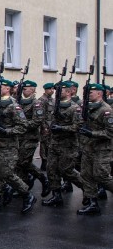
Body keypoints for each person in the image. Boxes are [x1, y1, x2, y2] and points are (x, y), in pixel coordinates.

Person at [0, 78, 36, 214]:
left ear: (8, 89)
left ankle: (27, 195)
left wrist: (7, 131)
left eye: (2, 86)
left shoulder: (13, 105)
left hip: (8, 146)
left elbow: (23, 126)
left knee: (8, 174)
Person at [42, 81, 84, 207]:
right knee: (51, 170)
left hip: (68, 144)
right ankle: (56, 196)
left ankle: (89, 191)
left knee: (67, 171)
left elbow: (78, 126)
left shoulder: (74, 107)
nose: (58, 93)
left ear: (69, 92)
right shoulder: (56, 105)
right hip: (55, 143)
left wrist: (62, 128)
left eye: (61, 90)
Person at [76, 83, 113, 215]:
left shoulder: (106, 110)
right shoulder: (87, 107)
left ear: (100, 93)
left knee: (101, 176)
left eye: (92, 92)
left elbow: (110, 132)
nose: (89, 94)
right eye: (88, 92)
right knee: (86, 175)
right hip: (88, 147)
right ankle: (93, 203)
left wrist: (92, 134)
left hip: (102, 149)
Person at [15, 81, 50, 197]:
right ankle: (24, 183)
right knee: (21, 162)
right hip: (20, 137)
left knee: (23, 162)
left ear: (32, 90)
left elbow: (37, 121)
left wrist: (23, 124)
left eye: (26, 89)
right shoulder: (19, 102)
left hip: (30, 138)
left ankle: (42, 178)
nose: (23, 91)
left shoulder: (36, 103)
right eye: (22, 89)